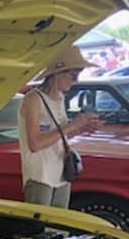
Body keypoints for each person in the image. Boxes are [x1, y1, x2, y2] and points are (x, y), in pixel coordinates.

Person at [18, 46, 101, 208]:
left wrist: (81, 128)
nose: (75, 80)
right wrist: (73, 125)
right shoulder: (33, 99)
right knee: (41, 229)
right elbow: (35, 144)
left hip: (61, 173)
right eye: (73, 75)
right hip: (40, 175)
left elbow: (59, 136)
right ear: (57, 72)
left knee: (58, 228)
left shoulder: (60, 97)